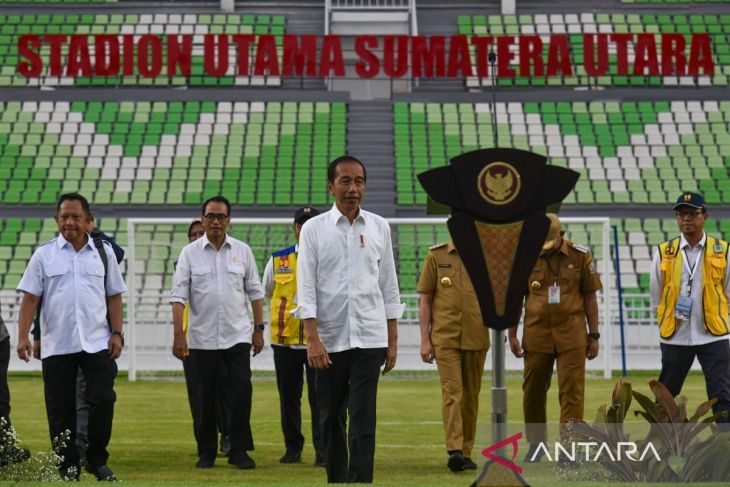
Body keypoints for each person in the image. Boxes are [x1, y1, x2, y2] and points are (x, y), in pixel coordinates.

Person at [296, 155, 403, 483]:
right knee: (330, 417)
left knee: (363, 416)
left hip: (370, 338)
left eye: (359, 181)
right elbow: (307, 289)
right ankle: (337, 478)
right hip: (328, 341)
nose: (353, 188)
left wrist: (392, 340)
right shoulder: (313, 230)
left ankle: (360, 480)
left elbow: (389, 285)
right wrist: (312, 340)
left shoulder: (379, 226)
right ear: (331, 186)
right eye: (345, 181)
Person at [16, 192, 126, 481]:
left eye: (76, 216)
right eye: (64, 216)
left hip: (97, 341)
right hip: (57, 344)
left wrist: (117, 333)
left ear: (88, 221)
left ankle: (96, 458)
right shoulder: (44, 255)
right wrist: (24, 336)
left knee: (103, 399)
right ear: (56, 219)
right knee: (60, 409)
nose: (69, 222)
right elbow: (30, 299)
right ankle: (68, 466)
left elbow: (115, 296)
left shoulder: (103, 253)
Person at [170, 196, 265, 469]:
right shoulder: (189, 254)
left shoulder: (243, 251)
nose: (215, 221)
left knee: (240, 395)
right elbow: (179, 297)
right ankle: (206, 452)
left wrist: (258, 330)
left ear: (228, 220)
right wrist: (179, 335)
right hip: (201, 340)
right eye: (210, 216)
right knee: (204, 398)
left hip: (237, 338)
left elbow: (256, 293)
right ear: (202, 219)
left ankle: (239, 450)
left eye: (221, 217)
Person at [508, 213, 602, 462]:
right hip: (536, 335)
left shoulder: (581, 256)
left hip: (572, 335)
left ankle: (569, 448)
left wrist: (594, 335)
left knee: (572, 393)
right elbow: (516, 298)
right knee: (533, 391)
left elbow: (590, 297)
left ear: (561, 236)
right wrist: (512, 333)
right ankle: (536, 444)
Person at [650, 192, 730, 428]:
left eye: (693, 213)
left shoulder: (723, 250)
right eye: (681, 214)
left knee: (722, 395)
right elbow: (657, 294)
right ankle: (659, 449)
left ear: (704, 216)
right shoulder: (664, 251)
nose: (686, 219)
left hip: (713, 335)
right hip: (676, 334)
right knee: (665, 396)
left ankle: (725, 451)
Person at [417, 241, 490, 472]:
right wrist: (425, 339)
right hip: (445, 338)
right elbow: (425, 299)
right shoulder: (436, 256)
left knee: (471, 397)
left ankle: (466, 452)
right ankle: (455, 450)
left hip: (477, 336)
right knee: (453, 392)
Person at [262, 206, 324, 466]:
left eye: (312, 223)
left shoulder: (328, 258)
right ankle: (293, 448)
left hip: (320, 342)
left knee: (321, 399)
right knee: (289, 398)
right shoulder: (279, 260)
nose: (306, 228)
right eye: (302, 224)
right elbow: (268, 291)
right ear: (295, 228)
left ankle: (323, 451)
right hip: (285, 342)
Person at [178, 220, 231, 457]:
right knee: (198, 395)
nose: (197, 237)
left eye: (200, 233)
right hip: (194, 341)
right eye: (193, 234)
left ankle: (227, 435)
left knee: (225, 392)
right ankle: (204, 440)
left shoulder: (225, 260)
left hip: (222, 339)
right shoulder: (185, 262)